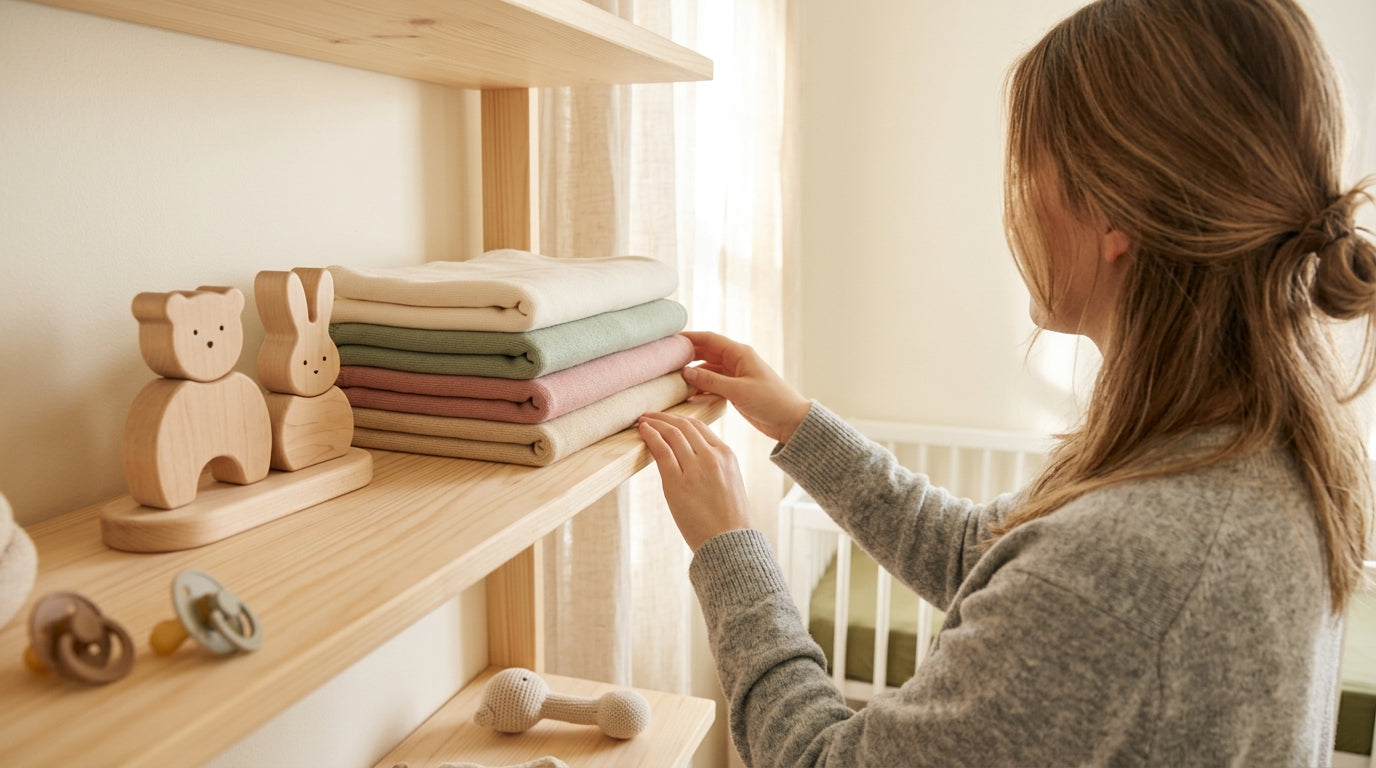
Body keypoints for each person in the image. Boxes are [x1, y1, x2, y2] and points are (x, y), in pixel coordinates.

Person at [636, 0, 1376, 765]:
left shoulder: (1138, 557)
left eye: (1029, 163)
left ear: (1118, 207)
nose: (1016, 197)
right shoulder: (1241, 444)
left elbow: (820, 760)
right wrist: (798, 424)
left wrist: (729, 547)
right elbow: (982, 555)